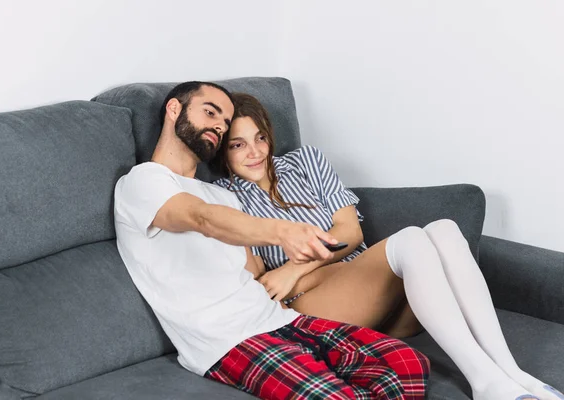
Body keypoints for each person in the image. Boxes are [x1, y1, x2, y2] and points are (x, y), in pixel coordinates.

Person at [213, 92, 564, 400]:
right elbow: (259, 283)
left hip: (371, 291)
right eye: (238, 144)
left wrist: (296, 268)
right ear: (222, 151)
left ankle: (510, 371)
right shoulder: (224, 198)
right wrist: (305, 272)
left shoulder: (306, 162)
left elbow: (351, 231)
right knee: (410, 239)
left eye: (260, 137)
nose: (255, 152)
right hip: (314, 309)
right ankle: (484, 382)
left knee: (444, 228)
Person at [113, 81, 430, 400]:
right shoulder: (143, 181)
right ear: (174, 109)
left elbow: (252, 270)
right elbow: (201, 218)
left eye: (224, 124)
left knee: (408, 362)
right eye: (210, 112)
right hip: (228, 341)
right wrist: (284, 231)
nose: (218, 126)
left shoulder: (224, 195)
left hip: (279, 317)